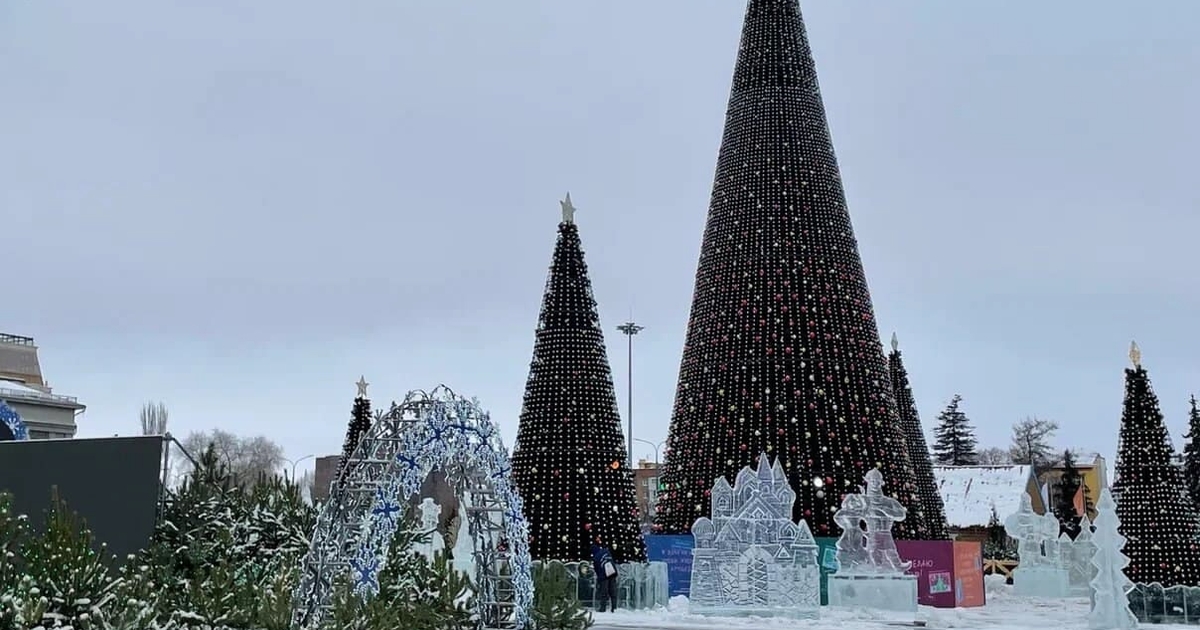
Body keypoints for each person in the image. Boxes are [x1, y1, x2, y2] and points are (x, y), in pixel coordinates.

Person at [591, 538, 619, 612]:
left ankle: (602, 608)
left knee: (604, 592)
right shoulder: (606, 551)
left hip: (604, 575)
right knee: (613, 591)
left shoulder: (595, 557)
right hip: (612, 572)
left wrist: (599, 579)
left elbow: (597, 570)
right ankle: (614, 608)